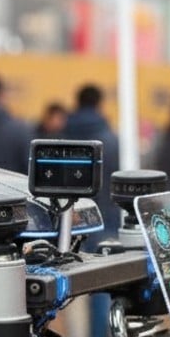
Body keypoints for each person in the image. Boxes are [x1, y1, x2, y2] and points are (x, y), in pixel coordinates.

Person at [62, 84, 121, 242]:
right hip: (104, 215)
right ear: (99, 103)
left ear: (77, 102)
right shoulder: (112, 140)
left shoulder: (61, 137)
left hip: (68, 215)